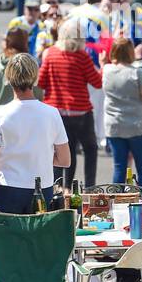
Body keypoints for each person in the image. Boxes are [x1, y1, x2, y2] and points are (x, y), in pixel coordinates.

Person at [0, 53, 71, 216]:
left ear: (8, 79)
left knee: (4, 238)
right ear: (35, 78)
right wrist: (39, 154)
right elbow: (65, 160)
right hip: (42, 188)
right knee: (37, 239)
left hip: (6, 189)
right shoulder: (52, 113)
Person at [37, 19, 102, 189]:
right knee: (90, 150)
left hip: (56, 111)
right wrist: (102, 66)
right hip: (80, 111)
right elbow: (97, 82)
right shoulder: (82, 56)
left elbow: (41, 82)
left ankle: (58, 188)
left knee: (62, 151)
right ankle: (89, 187)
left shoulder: (50, 54)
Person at [102, 37, 142, 185]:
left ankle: (116, 202)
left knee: (119, 168)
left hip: (114, 125)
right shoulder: (136, 73)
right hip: (136, 125)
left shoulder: (107, 70)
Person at [0, 27, 35, 107]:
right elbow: (35, 90)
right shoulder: (23, 64)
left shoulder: (0, 60)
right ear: (24, 42)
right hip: (22, 108)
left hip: (1, 108)